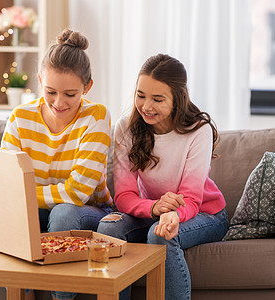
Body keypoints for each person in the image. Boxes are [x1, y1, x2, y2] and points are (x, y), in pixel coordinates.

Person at [0, 29, 112, 300]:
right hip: (34, 208)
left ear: (87, 87)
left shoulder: (96, 117)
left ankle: (61, 296)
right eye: (50, 92)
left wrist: (12, 196)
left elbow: (76, 194)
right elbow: (4, 182)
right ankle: (20, 293)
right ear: (39, 81)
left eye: (70, 94)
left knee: (63, 213)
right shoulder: (20, 117)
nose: (59, 103)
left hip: (86, 210)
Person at [97, 54, 229, 300]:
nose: (146, 106)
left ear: (177, 99)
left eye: (157, 99)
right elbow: (124, 196)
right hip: (153, 211)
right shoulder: (126, 127)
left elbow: (191, 199)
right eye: (140, 95)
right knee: (108, 228)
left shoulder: (197, 131)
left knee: (159, 234)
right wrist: (155, 207)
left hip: (204, 213)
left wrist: (172, 214)